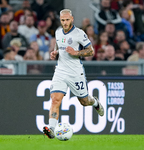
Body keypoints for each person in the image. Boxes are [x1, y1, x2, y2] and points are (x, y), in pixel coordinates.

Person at [43, 9, 104, 139]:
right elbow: (59, 47)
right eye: (63, 20)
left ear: (72, 19)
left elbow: (91, 51)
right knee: (55, 99)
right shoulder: (58, 32)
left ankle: (95, 103)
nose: (65, 23)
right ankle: (51, 129)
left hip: (75, 72)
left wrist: (76, 53)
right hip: (60, 71)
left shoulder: (79, 34)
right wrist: (55, 53)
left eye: (67, 20)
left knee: (84, 101)